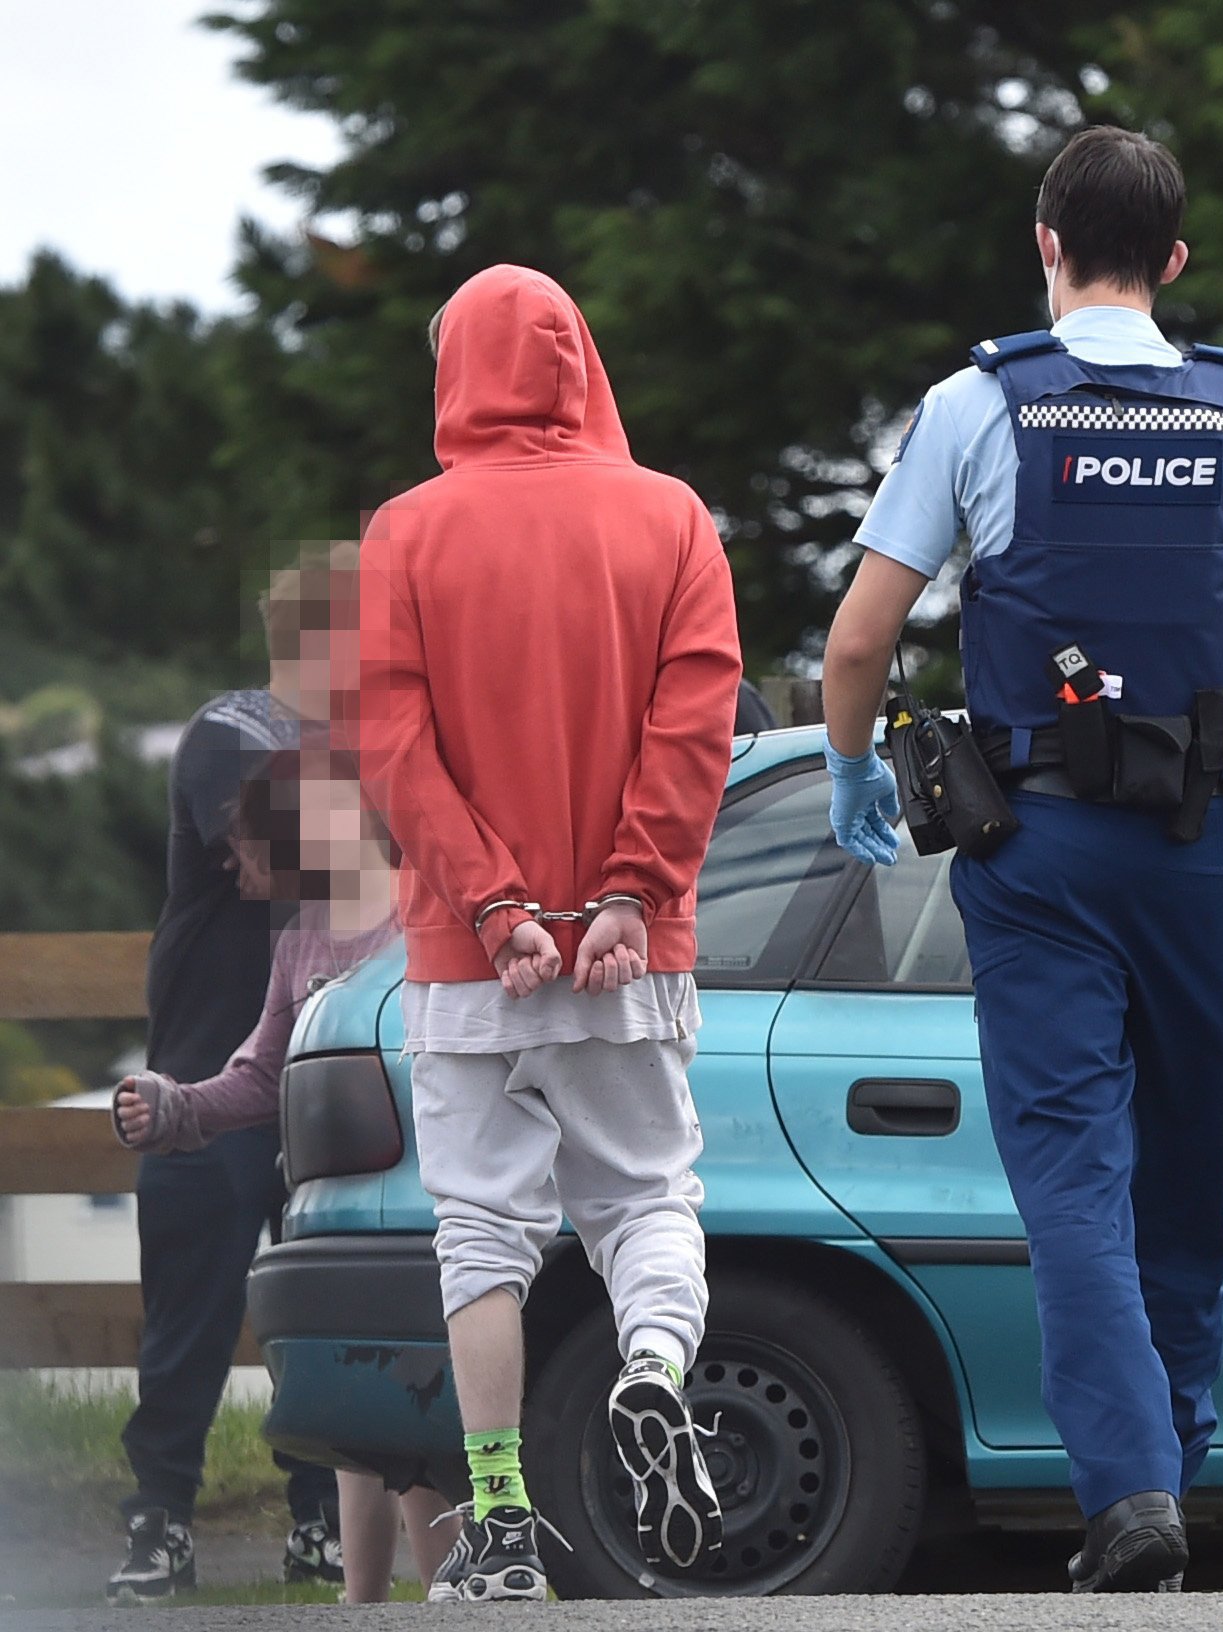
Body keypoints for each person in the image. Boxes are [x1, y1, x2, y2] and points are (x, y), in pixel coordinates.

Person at [820, 126, 1223, 1592]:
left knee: (1070, 1180)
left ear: (1045, 243)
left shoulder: (974, 409)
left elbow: (862, 637)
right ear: (1174, 263)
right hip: (1205, 857)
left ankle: (1131, 1493)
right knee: (1183, 1181)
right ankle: (1169, 1458)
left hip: (1037, 853)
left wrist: (854, 764)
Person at [356, 263, 742, 1602]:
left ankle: (505, 1524)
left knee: (481, 1233)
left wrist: (495, 904)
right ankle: (651, 1369)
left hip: (473, 960)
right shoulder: (672, 519)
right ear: (579, 364)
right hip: (631, 952)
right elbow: (696, 716)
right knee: (645, 1200)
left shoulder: (404, 533)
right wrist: (631, 891)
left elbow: (394, 745)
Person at [111, 748, 460, 1602]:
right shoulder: (302, 938)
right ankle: (361, 1603)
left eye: (252, 841)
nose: (235, 862)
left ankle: (454, 1597)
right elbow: (264, 1073)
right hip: (331, 1214)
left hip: (418, 1206)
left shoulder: (425, 916)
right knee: (352, 1424)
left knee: (413, 1432)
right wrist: (176, 1106)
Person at [107, 550, 355, 1603]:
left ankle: (320, 1523)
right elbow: (292, 845)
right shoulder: (232, 733)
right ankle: (158, 1520)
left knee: (319, 1320)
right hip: (210, 1084)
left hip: (326, 1088)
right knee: (189, 1329)